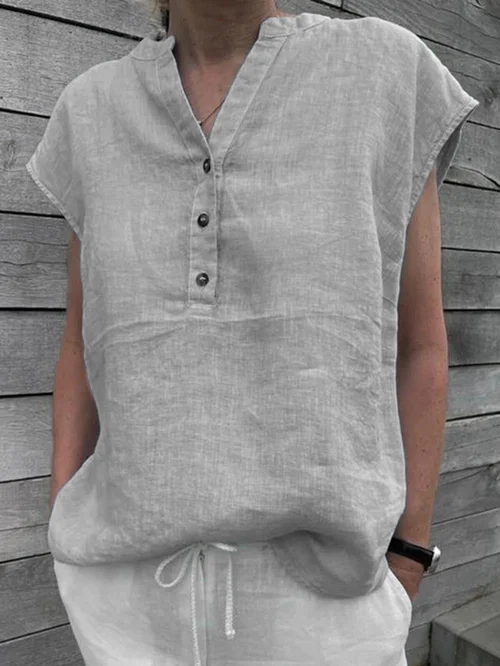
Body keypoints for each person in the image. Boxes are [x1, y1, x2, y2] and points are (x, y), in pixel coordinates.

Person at [25, 1, 480, 664]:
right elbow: (81, 338)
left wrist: (408, 557)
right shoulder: (88, 111)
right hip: (123, 608)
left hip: (326, 613)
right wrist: (64, 529)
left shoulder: (383, 72)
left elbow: (422, 344)